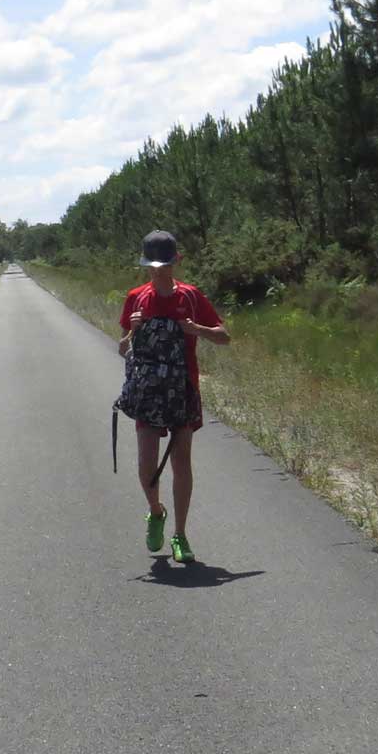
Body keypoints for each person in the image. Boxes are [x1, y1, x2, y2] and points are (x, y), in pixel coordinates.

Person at [116, 230, 229, 560]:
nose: (158, 271)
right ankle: (156, 511)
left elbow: (224, 336)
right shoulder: (136, 297)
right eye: (152, 265)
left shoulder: (191, 296)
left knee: (182, 462)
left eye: (164, 264)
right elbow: (123, 349)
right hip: (147, 390)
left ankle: (180, 535)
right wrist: (131, 333)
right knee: (146, 465)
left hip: (183, 390)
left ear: (176, 261)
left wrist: (198, 330)